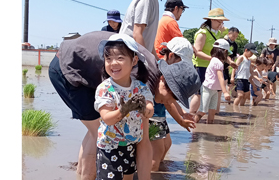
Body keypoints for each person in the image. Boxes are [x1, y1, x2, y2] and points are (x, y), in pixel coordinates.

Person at [48, 30, 200, 180]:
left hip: (78, 62)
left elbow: (143, 139)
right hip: (67, 66)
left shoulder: (147, 81)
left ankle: (82, 173)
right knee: (98, 133)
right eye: (172, 98)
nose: (169, 103)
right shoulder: (138, 80)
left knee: (94, 131)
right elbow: (136, 137)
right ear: (164, 82)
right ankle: (86, 176)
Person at [95, 34, 154, 180]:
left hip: (130, 147)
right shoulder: (105, 88)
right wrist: (124, 110)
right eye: (108, 59)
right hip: (109, 148)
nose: (113, 63)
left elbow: (150, 110)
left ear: (134, 60)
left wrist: (144, 110)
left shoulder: (141, 87)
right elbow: (107, 118)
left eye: (120, 58)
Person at [149, 37, 195, 171]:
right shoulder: (162, 71)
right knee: (156, 151)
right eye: (180, 63)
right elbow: (168, 102)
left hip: (159, 115)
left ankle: (158, 171)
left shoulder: (169, 70)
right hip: (153, 116)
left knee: (166, 144)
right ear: (170, 55)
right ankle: (151, 171)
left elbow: (172, 99)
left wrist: (183, 112)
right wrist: (180, 120)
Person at [189, 8, 233, 114]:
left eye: (222, 21)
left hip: (212, 67)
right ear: (212, 20)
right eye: (219, 21)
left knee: (213, 92)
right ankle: (191, 116)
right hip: (201, 66)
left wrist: (230, 62)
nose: (221, 24)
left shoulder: (217, 33)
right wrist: (213, 60)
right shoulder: (202, 33)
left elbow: (220, 51)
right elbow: (197, 52)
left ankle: (207, 117)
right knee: (199, 93)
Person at [194, 39, 231, 124]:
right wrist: (225, 92)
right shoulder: (218, 62)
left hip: (214, 90)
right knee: (203, 111)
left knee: (212, 111)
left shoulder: (214, 60)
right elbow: (221, 78)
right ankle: (192, 125)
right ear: (225, 51)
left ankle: (209, 126)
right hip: (208, 88)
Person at [232, 43, 257, 111]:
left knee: (245, 96)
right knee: (240, 95)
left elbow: (250, 71)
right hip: (239, 78)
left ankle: (241, 109)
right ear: (246, 50)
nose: (252, 54)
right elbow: (234, 67)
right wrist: (232, 77)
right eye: (251, 52)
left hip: (246, 79)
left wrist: (255, 77)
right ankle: (234, 109)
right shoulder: (241, 58)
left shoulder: (249, 61)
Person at [222, 27, 239, 98]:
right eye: (233, 36)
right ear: (229, 33)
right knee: (223, 81)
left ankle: (230, 100)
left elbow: (234, 56)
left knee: (231, 83)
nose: (234, 38)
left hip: (230, 66)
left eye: (236, 36)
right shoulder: (223, 42)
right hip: (222, 64)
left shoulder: (235, 45)